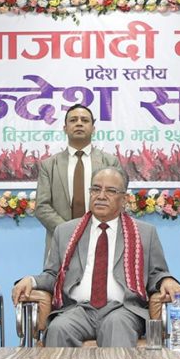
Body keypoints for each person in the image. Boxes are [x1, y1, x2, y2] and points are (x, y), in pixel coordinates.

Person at [13, 167, 180, 359]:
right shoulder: (66, 231)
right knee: (58, 329)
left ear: (124, 199)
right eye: (96, 189)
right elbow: (52, 274)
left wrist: (167, 280)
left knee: (116, 324)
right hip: (78, 308)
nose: (101, 196)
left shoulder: (145, 233)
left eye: (110, 191)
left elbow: (156, 273)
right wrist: (30, 280)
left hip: (123, 307)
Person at [34, 104, 121, 252]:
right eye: (73, 120)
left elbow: (116, 202)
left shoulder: (110, 162)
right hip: (61, 242)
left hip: (101, 239)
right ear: (65, 128)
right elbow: (42, 207)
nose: (79, 123)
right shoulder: (49, 165)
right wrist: (68, 232)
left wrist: (95, 230)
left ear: (93, 129)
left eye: (85, 120)